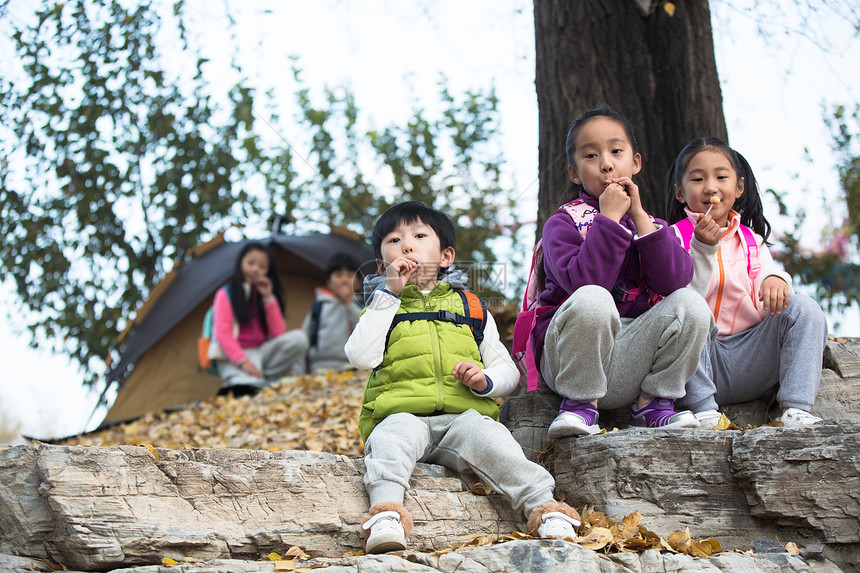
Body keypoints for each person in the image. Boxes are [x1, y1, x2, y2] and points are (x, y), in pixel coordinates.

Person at [345, 201, 582, 554]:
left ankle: (543, 507)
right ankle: (387, 514)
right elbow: (359, 356)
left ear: (445, 256)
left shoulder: (471, 307)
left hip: (462, 419)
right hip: (401, 414)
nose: (407, 246)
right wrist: (390, 293)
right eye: (394, 240)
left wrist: (484, 380)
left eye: (420, 236)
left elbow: (507, 371)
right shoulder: (382, 306)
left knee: (495, 441)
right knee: (390, 440)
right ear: (382, 264)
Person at [533, 106, 712, 438]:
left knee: (690, 302)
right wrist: (609, 220)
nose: (606, 163)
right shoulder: (562, 224)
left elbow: (673, 281)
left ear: (636, 163)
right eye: (591, 155)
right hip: (571, 359)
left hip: (629, 361)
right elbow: (586, 283)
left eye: (616, 151)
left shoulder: (654, 226)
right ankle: (579, 405)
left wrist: (640, 216)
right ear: (575, 174)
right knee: (593, 298)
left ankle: (653, 403)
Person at [665, 137, 828, 428]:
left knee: (804, 307)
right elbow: (680, 303)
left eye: (721, 177)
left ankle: (795, 407)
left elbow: (769, 281)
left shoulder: (753, 242)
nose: (711, 187)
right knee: (690, 308)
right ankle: (703, 410)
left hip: (749, 356)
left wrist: (777, 279)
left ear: (738, 187)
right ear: (680, 192)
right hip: (698, 362)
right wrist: (702, 248)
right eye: (698, 178)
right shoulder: (672, 238)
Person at [211, 241, 308, 392]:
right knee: (244, 389)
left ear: (268, 272)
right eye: (251, 263)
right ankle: (247, 381)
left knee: (299, 339)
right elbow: (223, 333)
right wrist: (242, 361)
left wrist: (268, 297)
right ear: (240, 263)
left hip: (261, 352)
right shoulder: (226, 293)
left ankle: (262, 380)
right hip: (234, 355)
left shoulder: (263, 295)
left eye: (262, 266)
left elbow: (278, 333)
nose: (255, 269)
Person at [303, 252, 363, 373]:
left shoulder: (362, 307)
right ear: (329, 282)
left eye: (350, 275)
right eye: (338, 275)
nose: (344, 280)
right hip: (320, 368)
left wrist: (348, 303)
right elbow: (304, 339)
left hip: (352, 368)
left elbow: (366, 330)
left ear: (358, 283)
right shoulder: (319, 307)